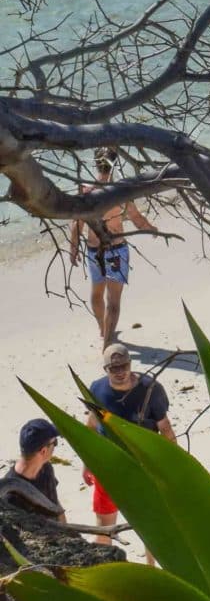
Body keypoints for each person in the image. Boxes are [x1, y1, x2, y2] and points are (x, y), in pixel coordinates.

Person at [83, 341, 174, 548]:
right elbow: (91, 425)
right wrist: (87, 462)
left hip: (143, 465)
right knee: (104, 526)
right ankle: (106, 566)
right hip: (108, 464)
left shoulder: (151, 389)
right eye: (114, 368)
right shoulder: (96, 389)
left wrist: (172, 466)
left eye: (124, 366)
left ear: (130, 364)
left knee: (152, 525)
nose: (120, 372)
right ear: (106, 369)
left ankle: (152, 567)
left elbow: (165, 429)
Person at [68, 151, 152, 349]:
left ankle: (103, 330)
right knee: (113, 301)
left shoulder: (86, 191)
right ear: (115, 164)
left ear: (96, 164)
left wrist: (73, 249)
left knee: (97, 292)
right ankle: (107, 342)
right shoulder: (120, 192)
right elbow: (136, 218)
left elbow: (77, 224)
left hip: (93, 250)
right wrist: (153, 229)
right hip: (116, 250)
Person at [1, 419, 66, 524]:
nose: (55, 447)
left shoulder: (46, 468)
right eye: (55, 443)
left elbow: (55, 503)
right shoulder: (10, 495)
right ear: (43, 451)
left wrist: (68, 531)